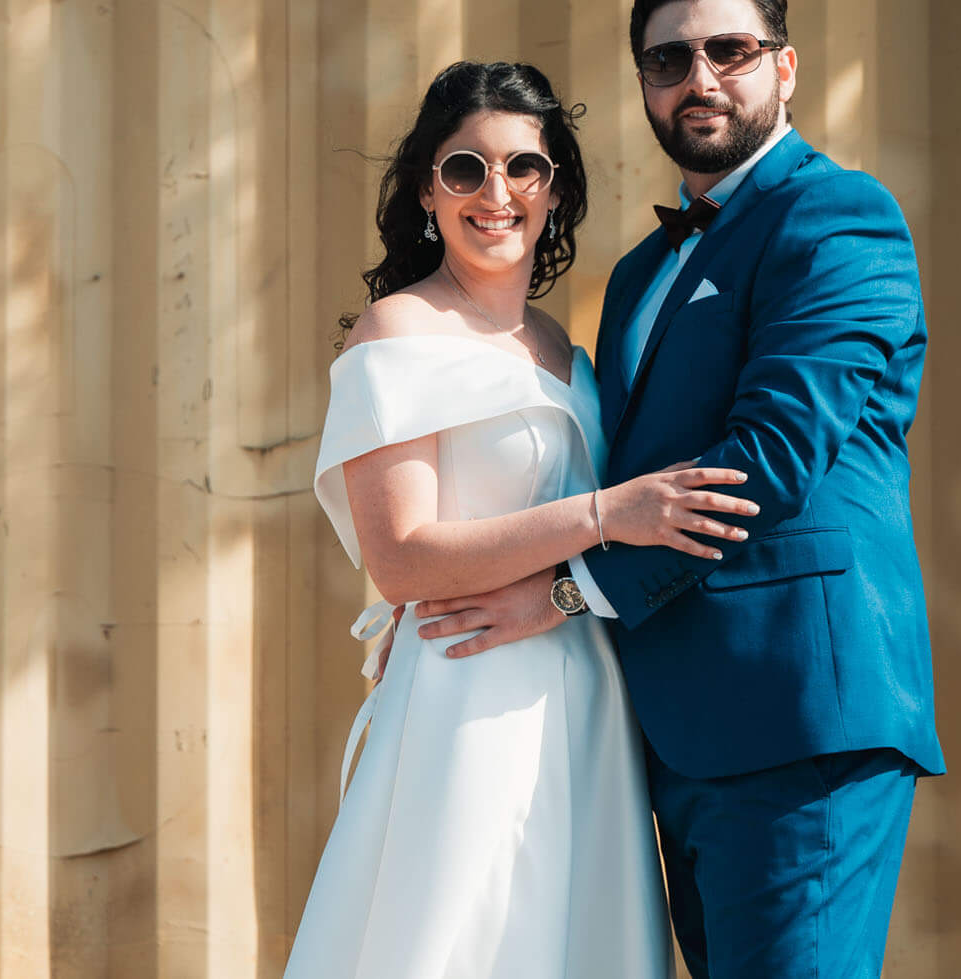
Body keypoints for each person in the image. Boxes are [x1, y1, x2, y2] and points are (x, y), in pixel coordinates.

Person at [415, 0, 944, 978]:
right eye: (668, 60)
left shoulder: (838, 215)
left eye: (729, 51)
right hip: (668, 729)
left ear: (784, 68)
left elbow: (770, 459)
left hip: (797, 713)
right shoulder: (639, 274)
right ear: (645, 85)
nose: (698, 79)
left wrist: (562, 594)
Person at [285, 60, 759, 978]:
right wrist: (607, 512)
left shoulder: (569, 352)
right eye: (465, 168)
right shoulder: (396, 332)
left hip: (590, 696)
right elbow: (402, 558)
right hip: (468, 692)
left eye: (523, 167)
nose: (495, 192)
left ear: (555, 192)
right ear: (428, 191)